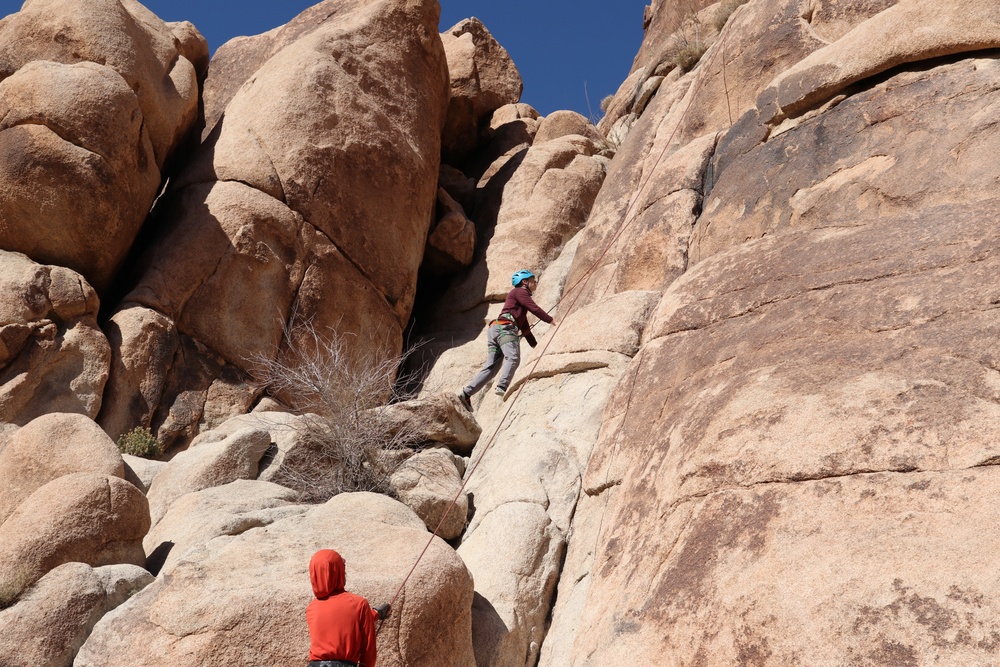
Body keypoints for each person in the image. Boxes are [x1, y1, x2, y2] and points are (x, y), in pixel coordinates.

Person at [458, 269, 555, 408]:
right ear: (524, 282)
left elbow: (525, 328)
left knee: (491, 369)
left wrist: (535, 346)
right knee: (513, 358)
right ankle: (502, 385)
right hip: (505, 329)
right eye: (533, 279)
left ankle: (466, 394)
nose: (536, 282)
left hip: (496, 329)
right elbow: (534, 308)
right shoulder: (520, 292)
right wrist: (551, 320)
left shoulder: (517, 304)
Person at [306, 549, 389, 667]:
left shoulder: (311, 609)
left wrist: (375, 614)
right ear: (337, 571)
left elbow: (339, 623)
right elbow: (368, 653)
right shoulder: (359, 603)